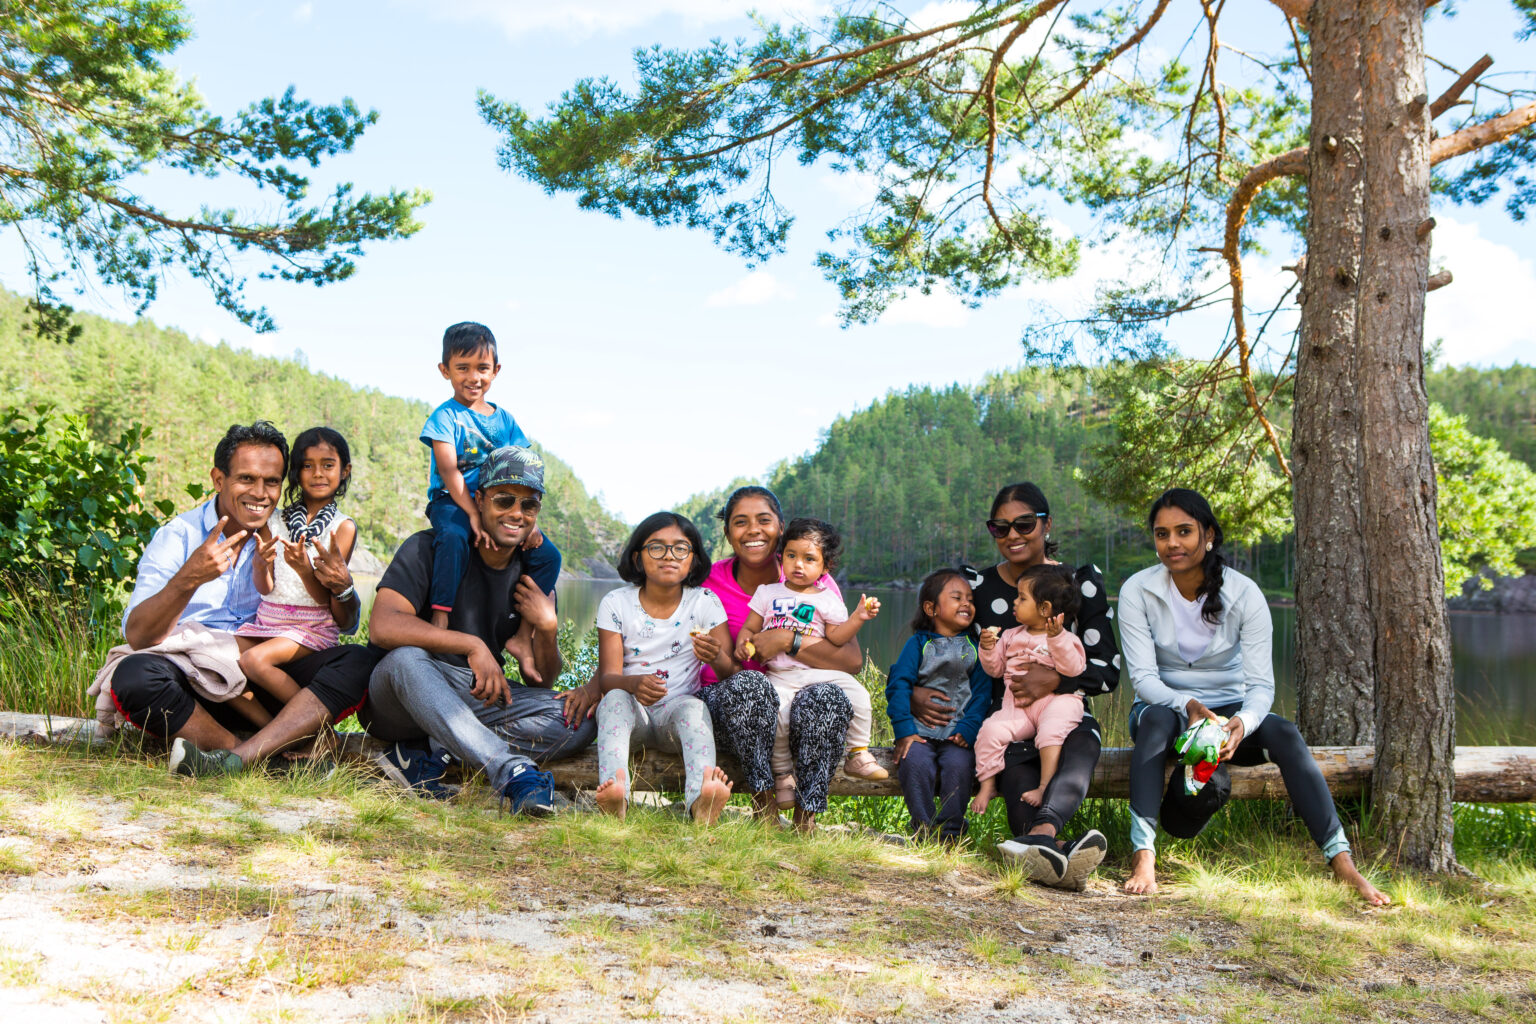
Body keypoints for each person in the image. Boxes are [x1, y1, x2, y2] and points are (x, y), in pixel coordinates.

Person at [1118, 488, 1390, 905]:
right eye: (1162, 534)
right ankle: (1144, 857)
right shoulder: (1138, 590)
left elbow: (1261, 686)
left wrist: (1241, 724)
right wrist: (1188, 706)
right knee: (1154, 720)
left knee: (1284, 733)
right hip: (1166, 708)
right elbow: (1143, 678)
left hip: (1229, 714)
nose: (1172, 543)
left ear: (1208, 535)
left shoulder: (1244, 593)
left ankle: (1342, 863)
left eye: (1184, 531)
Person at [105, 421, 374, 777]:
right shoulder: (179, 535)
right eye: (247, 479)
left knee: (360, 660)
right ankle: (263, 752)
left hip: (267, 686)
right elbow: (138, 636)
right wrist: (190, 577)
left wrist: (343, 587)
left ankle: (241, 759)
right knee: (135, 676)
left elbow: (345, 621)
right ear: (219, 480)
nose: (260, 493)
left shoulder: (284, 530)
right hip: (199, 686)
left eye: (272, 482)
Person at [362, 445, 595, 814]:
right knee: (406, 659)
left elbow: (541, 681)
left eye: (528, 505)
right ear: (480, 499)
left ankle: (433, 752)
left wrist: (547, 629)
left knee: (578, 720)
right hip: (402, 695)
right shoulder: (430, 547)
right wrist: (472, 644)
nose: (516, 514)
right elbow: (383, 627)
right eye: (504, 500)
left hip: (476, 698)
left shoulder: (534, 573)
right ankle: (511, 770)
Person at [913, 481, 1116, 889]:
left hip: (1065, 717)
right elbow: (941, 645)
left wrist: (1056, 678)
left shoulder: (1078, 582)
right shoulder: (979, 587)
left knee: (1081, 739)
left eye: (1024, 524)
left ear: (1046, 525)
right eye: (1000, 528)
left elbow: (1107, 671)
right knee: (1021, 786)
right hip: (1005, 722)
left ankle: (1044, 838)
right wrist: (915, 689)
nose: (1012, 536)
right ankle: (1055, 847)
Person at [687, 486, 867, 829]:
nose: (753, 530)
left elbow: (852, 662)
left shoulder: (816, 580)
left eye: (764, 520)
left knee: (827, 696)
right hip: (728, 707)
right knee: (751, 684)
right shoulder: (710, 581)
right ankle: (764, 808)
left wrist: (788, 639)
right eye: (740, 522)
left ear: (781, 528)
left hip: (794, 703)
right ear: (727, 533)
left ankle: (806, 817)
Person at [421, 322, 560, 680]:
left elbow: (524, 470)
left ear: (495, 371)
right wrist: (471, 512)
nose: (473, 377)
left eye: (482, 368)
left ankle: (522, 636)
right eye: (462, 368)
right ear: (445, 370)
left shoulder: (505, 420)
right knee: (452, 538)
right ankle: (441, 615)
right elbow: (450, 471)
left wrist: (532, 523)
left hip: (498, 507)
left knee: (548, 556)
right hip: (453, 502)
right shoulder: (445, 417)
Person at [734, 516, 888, 815]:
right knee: (777, 716)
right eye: (791, 556)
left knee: (860, 695)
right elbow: (750, 627)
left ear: (825, 566)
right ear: (781, 558)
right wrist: (744, 642)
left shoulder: (828, 599)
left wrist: (858, 617)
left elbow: (838, 637)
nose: (798, 565)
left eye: (809, 559)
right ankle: (782, 777)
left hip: (819, 673)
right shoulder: (768, 592)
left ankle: (858, 753)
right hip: (780, 673)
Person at [591, 512, 735, 823]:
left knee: (696, 710)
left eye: (680, 548)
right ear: (638, 558)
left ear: (693, 560)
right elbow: (607, 679)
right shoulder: (616, 603)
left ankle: (701, 802)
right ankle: (616, 795)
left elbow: (729, 673)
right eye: (656, 547)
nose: (668, 556)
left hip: (677, 713)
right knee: (613, 700)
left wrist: (715, 655)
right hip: (633, 715)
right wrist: (632, 684)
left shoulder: (704, 602)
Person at [233, 427, 358, 726]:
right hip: (268, 623)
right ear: (296, 473)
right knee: (214, 658)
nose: (317, 473)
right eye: (307, 465)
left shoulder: (342, 528)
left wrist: (305, 570)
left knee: (254, 661)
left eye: (328, 465)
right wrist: (260, 566)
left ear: (344, 471)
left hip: (311, 627)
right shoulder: (275, 519)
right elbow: (266, 588)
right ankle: (270, 730)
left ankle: (316, 727)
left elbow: (325, 599)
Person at [885, 568, 993, 843]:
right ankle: (923, 829)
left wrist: (968, 730)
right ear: (931, 608)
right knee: (914, 763)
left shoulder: (975, 646)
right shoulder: (918, 643)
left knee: (959, 766)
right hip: (919, 733)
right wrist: (904, 731)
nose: (966, 604)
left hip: (958, 735)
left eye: (969, 599)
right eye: (956, 598)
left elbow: (982, 694)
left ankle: (950, 833)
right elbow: (899, 685)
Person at [972, 564, 1086, 815]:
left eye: (1022, 597)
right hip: (1018, 709)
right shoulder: (1011, 635)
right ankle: (987, 784)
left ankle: (1045, 786)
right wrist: (989, 649)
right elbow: (996, 670)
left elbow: (1073, 668)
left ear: (1044, 608)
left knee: (1052, 730)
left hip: (1054, 703)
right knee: (990, 730)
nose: (1015, 602)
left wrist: (1056, 640)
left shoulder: (1066, 638)